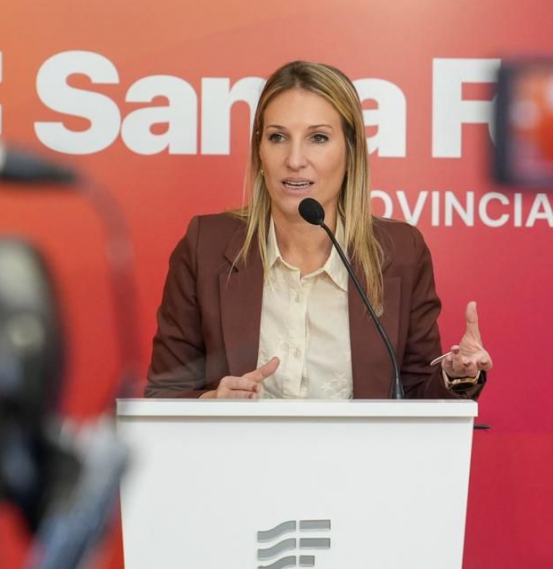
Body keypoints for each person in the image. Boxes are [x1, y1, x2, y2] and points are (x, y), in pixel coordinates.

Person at [144, 61, 492, 400]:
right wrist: (211, 404)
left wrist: (456, 378)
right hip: (236, 444)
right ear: (260, 150)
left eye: (318, 138)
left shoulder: (400, 251)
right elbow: (163, 396)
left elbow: (415, 397)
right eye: (278, 137)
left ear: (351, 151)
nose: (294, 160)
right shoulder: (206, 245)